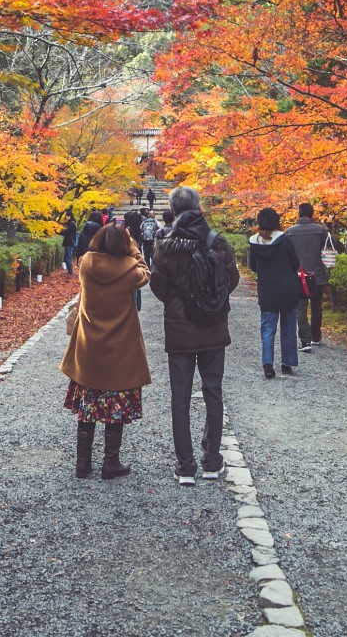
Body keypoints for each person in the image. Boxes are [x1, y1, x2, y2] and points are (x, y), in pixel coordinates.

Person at [150, 186, 239, 484]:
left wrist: (180, 304)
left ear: (174, 211)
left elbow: (158, 287)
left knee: (181, 397)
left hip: (180, 331)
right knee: (213, 393)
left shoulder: (165, 245)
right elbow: (232, 280)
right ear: (199, 208)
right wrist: (210, 304)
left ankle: (185, 467)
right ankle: (212, 462)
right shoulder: (217, 242)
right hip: (213, 327)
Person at [62, 223, 151, 479]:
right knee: (116, 405)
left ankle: (83, 463)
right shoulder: (131, 271)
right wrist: (133, 248)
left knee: (88, 404)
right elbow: (146, 273)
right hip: (120, 348)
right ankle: (110, 463)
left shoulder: (86, 263)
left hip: (89, 346)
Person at [247, 207, 304, 378]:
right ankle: (287, 363)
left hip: (267, 290)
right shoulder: (284, 240)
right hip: (288, 289)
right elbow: (295, 263)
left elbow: (253, 267)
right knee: (288, 327)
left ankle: (268, 365)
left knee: (267, 328)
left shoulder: (254, 242)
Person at [282, 202, 333, 347]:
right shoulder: (320, 231)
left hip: (298, 276)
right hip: (317, 275)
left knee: (301, 307)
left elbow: (285, 254)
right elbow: (331, 247)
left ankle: (305, 340)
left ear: (299, 213)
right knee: (317, 307)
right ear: (312, 214)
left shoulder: (289, 232)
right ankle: (316, 335)